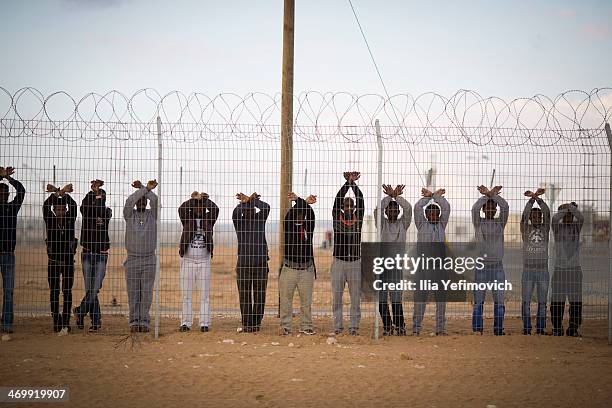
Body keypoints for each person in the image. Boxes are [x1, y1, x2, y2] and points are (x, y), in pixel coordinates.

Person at [74, 179, 112, 333]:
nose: (98, 198)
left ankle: (80, 311)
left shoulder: (107, 211)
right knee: (91, 289)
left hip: (101, 254)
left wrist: (98, 194)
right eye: (96, 196)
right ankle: (96, 322)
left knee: (95, 288)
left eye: (100, 196)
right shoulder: (87, 211)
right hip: (88, 254)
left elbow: (102, 210)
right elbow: (84, 206)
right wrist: (92, 191)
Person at [373, 184, 412, 335]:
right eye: (390, 209)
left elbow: (408, 209)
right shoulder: (382, 225)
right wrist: (389, 197)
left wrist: (397, 197)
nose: (393, 211)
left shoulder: (403, 224)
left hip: (396, 267)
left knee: (396, 298)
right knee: (382, 299)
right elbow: (377, 210)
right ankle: (387, 327)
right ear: (387, 212)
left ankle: (400, 327)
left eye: (396, 209)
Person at [178, 191, 219, 333]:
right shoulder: (187, 219)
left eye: (202, 206)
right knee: (186, 295)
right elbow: (181, 209)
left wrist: (205, 199)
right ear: (192, 208)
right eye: (197, 206)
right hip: (188, 261)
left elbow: (215, 210)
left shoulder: (209, 220)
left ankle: (204, 323)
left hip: (204, 261)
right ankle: (185, 322)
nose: (199, 209)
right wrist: (193, 199)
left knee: (204, 295)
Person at [471, 185, 509, 335]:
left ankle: (498, 330)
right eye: (487, 207)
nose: (490, 210)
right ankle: (477, 329)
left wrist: (494, 196)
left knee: (499, 302)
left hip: (497, 267)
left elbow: (505, 207)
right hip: (481, 267)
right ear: (484, 210)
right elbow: (474, 208)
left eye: (493, 208)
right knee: (478, 302)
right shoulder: (478, 223)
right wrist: (486, 196)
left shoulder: (500, 223)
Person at [412, 187, 450, 336]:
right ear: (426, 215)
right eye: (430, 213)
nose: (433, 215)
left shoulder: (442, 225)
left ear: (439, 215)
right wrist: (428, 198)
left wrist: (435, 196)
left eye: (436, 213)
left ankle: (440, 329)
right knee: (420, 300)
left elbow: (446, 207)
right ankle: (416, 329)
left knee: (441, 301)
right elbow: (417, 208)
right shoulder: (421, 225)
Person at [279, 192, 317, 336]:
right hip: (289, 269)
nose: (301, 215)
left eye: (303, 213)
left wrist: (303, 203)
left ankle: (306, 326)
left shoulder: (309, 227)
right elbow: (289, 215)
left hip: (306, 270)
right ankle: (285, 326)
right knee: (286, 300)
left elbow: (311, 215)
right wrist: (299, 201)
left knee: (306, 302)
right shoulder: (289, 226)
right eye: (298, 212)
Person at [331, 171, 364, 336]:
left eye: (352, 205)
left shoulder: (359, 218)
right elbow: (337, 201)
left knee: (355, 298)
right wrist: (347, 184)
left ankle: (354, 327)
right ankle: (337, 326)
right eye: (346, 206)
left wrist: (353, 184)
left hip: (355, 262)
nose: (349, 208)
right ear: (342, 208)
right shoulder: (337, 218)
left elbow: (361, 200)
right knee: (337, 297)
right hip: (338, 262)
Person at [123, 179, 158, 333]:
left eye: (145, 199)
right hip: (132, 259)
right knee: (133, 292)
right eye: (140, 200)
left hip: (149, 259)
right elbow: (129, 200)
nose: (142, 202)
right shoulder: (129, 215)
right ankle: (133, 321)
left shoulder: (153, 215)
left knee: (146, 292)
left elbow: (155, 200)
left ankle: (144, 321)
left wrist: (146, 189)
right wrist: (142, 190)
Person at [43, 183, 78, 335]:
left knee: (67, 292)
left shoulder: (70, 220)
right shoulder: (50, 220)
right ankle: (56, 321)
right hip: (53, 263)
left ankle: (66, 321)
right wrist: (57, 193)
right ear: (54, 211)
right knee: (54, 292)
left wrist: (64, 193)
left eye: (63, 209)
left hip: (69, 262)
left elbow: (74, 206)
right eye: (58, 209)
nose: (61, 212)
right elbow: (45, 206)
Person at [233, 192, 270, 333]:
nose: (250, 211)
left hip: (260, 263)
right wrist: (245, 202)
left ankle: (256, 323)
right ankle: (247, 323)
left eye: (252, 209)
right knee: (244, 295)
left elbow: (266, 207)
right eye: (247, 209)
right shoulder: (239, 223)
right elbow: (235, 213)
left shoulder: (259, 219)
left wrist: (252, 200)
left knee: (260, 295)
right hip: (243, 265)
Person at [550, 202, 584, 337]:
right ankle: (557, 328)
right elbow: (554, 219)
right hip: (560, 270)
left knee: (575, 302)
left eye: (571, 215)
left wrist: (571, 208)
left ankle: (573, 328)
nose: (568, 217)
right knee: (557, 301)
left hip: (574, 270)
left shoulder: (576, 227)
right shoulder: (557, 228)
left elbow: (580, 217)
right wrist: (566, 209)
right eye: (566, 214)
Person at [520, 188, 550, 335]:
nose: (537, 218)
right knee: (526, 302)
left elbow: (548, 213)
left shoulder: (545, 229)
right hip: (528, 269)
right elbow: (524, 216)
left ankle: (540, 328)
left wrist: (538, 198)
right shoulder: (525, 229)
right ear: (531, 218)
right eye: (534, 216)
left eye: (539, 216)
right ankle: (527, 328)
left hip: (543, 269)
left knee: (542, 302)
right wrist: (531, 200)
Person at [0, 166, 25, 336]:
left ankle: (7, 322)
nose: (3, 196)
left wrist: (8, 178)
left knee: (8, 291)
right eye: (0, 194)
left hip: (8, 254)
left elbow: (21, 191)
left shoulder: (12, 208)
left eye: (5, 194)